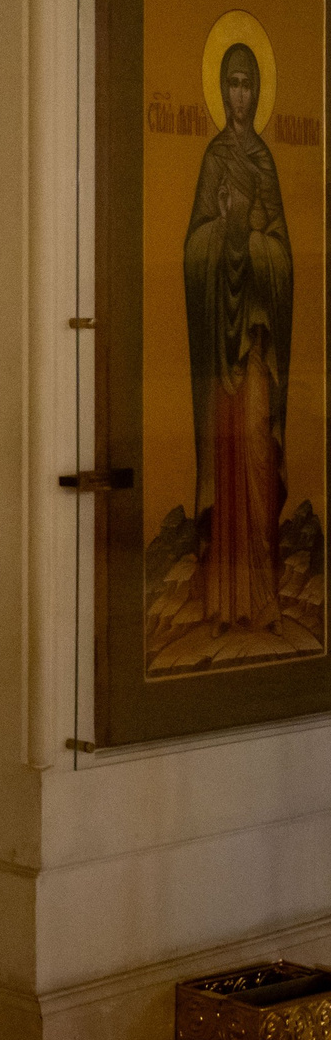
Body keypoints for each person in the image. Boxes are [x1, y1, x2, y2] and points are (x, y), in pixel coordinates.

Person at [186, 40, 294, 632]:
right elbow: (192, 249)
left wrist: (254, 242)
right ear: (221, 90)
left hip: (254, 344)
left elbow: (284, 258)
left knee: (254, 447)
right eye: (231, 83)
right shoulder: (212, 160)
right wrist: (224, 230)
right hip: (218, 348)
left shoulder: (265, 163)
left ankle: (264, 593)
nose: (240, 95)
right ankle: (226, 601)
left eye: (248, 84)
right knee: (226, 454)